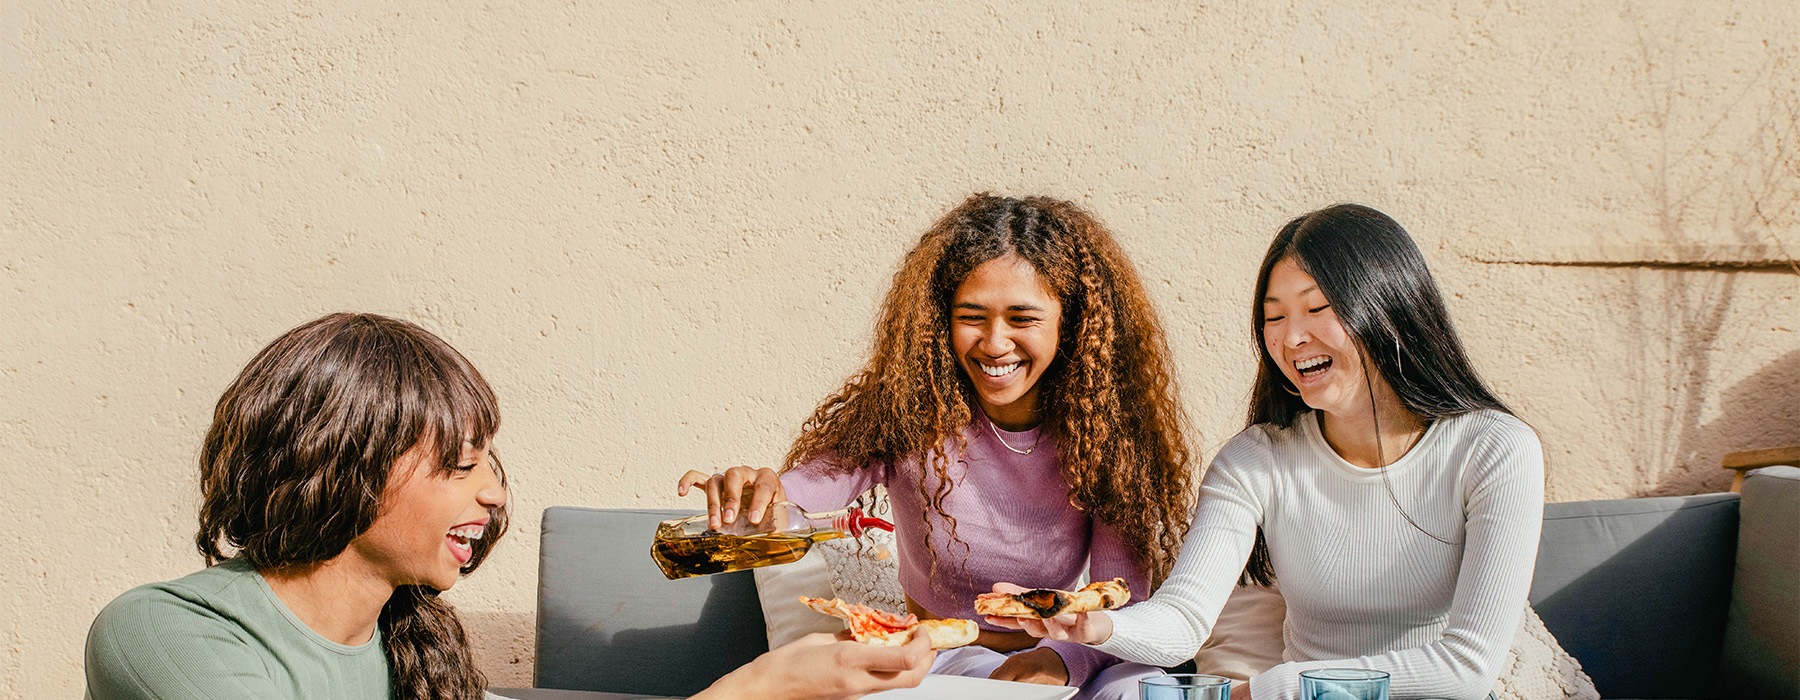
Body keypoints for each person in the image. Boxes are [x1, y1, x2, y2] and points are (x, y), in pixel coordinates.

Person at [84, 312, 934, 700]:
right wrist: (750, 694)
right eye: (458, 465)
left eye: (490, 461)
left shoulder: (408, 648)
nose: (493, 493)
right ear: (338, 465)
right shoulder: (167, 636)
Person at [988, 204, 1544, 700]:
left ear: (1389, 307)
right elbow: (1185, 618)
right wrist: (1086, 623)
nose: (1291, 337)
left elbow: (1467, 666)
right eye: (1274, 316)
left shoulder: (1494, 449)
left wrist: (1266, 690)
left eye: (1316, 307)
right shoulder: (1256, 459)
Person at [679, 194, 1196, 700]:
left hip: (1070, 658)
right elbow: (799, 495)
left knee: (1143, 691)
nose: (995, 344)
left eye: (1023, 318)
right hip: (943, 659)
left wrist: (1056, 661)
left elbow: (1122, 605)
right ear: (939, 320)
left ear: (1073, 324)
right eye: (972, 316)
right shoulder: (908, 414)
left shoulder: (1105, 437)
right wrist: (755, 496)